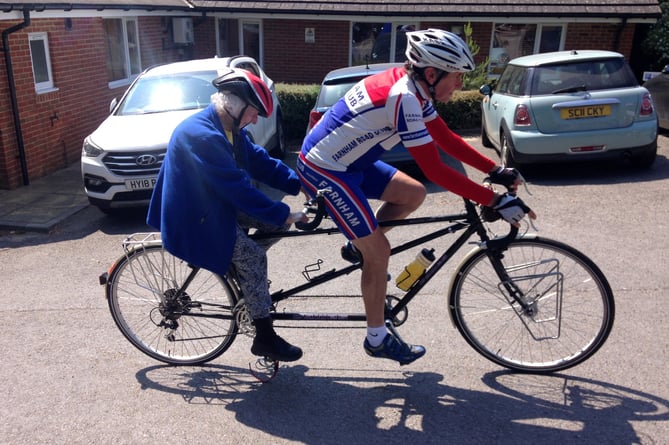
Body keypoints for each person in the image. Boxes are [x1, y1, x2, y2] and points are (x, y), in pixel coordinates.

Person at [297, 28, 536, 366]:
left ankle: (357, 246)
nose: (459, 85)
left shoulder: (415, 90)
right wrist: (492, 200)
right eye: (455, 77)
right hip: (325, 170)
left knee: (413, 193)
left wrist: (494, 171)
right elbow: (437, 168)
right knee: (379, 251)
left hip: (350, 162)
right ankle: (376, 338)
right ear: (431, 73)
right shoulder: (404, 97)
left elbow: (445, 138)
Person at [147, 68, 307, 362]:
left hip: (213, 206)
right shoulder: (201, 134)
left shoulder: (228, 129)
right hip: (194, 218)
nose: (256, 119)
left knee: (276, 229)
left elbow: (259, 161)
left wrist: (299, 182)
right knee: (254, 256)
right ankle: (265, 338)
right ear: (234, 105)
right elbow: (237, 188)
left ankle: (245, 277)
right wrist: (283, 213)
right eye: (254, 112)